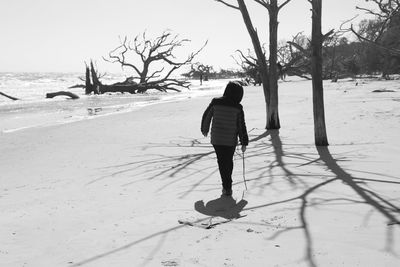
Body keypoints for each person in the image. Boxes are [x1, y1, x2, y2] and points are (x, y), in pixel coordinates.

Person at [201, 81, 249, 196]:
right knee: (228, 161)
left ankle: (226, 186)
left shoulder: (215, 102)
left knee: (222, 162)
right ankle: (228, 185)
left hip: (217, 139)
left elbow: (206, 115)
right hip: (230, 141)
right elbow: (241, 126)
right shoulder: (238, 107)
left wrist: (204, 128)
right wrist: (244, 142)